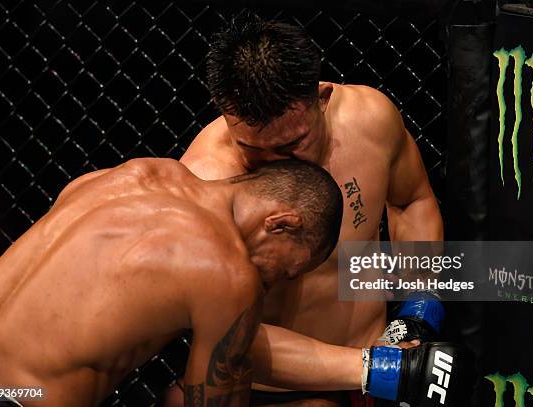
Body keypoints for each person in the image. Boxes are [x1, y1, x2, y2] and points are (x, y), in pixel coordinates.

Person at [177, 15, 447, 406]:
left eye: (291, 145)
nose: (273, 162)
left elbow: (411, 201)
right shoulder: (205, 186)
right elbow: (228, 335)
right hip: (269, 391)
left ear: (322, 99)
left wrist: (419, 300)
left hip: (380, 364)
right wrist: (375, 369)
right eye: (252, 149)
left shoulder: (369, 121)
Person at [0, 158, 343, 406]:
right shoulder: (228, 272)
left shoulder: (129, 175)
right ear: (282, 223)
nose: (274, 284)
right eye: (287, 271)